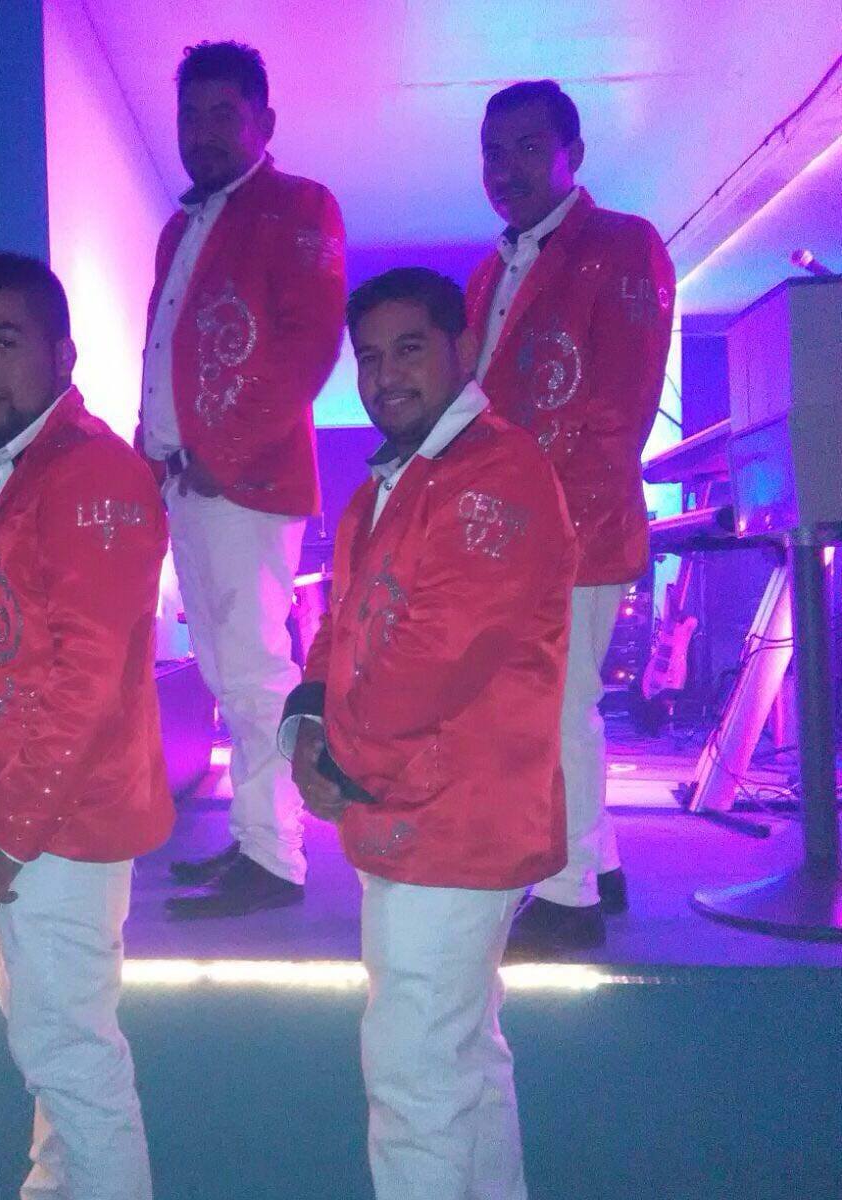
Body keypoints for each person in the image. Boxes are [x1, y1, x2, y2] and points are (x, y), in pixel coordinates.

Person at [282, 268, 575, 1199]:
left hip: (456, 821)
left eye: (409, 349)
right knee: (462, 1064)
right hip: (409, 810)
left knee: (415, 1082)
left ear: (464, 349)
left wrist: (336, 756)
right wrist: (305, 723)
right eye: (368, 357)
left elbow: (438, 655)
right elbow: (338, 626)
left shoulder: (497, 475)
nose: (384, 376)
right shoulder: (390, 486)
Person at [0, 253, 172, 1200]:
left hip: (57, 823)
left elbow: (82, 678)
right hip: (28, 816)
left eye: (5, 342)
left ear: (62, 353)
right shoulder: (14, 476)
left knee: (72, 1064)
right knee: (55, 1061)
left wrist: (9, 830)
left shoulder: (91, 473)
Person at [138, 40, 347, 918]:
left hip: (245, 479)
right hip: (187, 483)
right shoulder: (180, 227)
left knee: (255, 671)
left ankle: (275, 856)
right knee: (228, 674)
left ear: (264, 121)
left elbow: (310, 345)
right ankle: (255, 837)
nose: (203, 132)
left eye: (224, 114)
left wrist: (218, 454)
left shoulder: (299, 206)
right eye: (190, 115)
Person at [468, 80, 675, 953]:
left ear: (571, 156)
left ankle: (566, 897)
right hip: (515, 529)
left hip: (570, 529)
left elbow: (620, 412)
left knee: (554, 709)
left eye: (526, 147)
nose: (505, 168)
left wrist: (546, 529)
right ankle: (601, 865)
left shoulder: (620, 244)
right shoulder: (491, 269)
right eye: (493, 151)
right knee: (554, 703)